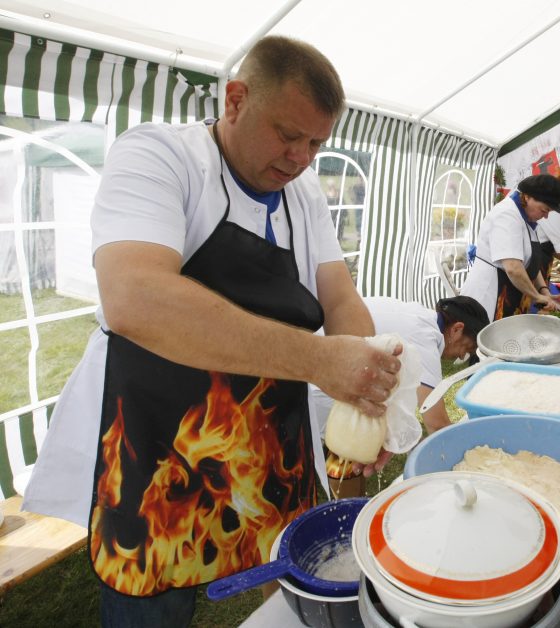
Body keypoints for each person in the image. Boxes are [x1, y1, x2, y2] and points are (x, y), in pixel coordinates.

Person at [23, 36, 403, 626]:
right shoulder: (159, 156)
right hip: (159, 450)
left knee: (286, 594)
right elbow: (134, 298)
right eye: (287, 134)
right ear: (235, 99)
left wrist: (365, 385)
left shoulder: (304, 197)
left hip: (269, 446)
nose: (301, 157)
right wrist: (321, 363)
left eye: (316, 143)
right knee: (153, 604)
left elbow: (340, 296)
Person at [311, 295, 488, 437]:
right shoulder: (424, 338)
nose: (462, 356)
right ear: (457, 329)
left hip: (320, 363)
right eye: (467, 348)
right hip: (321, 383)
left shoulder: (419, 314)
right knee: (352, 452)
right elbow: (436, 423)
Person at [461, 174, 560, 321]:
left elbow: (530, 263)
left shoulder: (527, 218)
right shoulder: (506, 215)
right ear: (527, 197)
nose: (546, 216)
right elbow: (513, 268)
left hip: (507, 295)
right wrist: (536, 296)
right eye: (544, 210)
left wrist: (544, 291)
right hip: (489, 296)